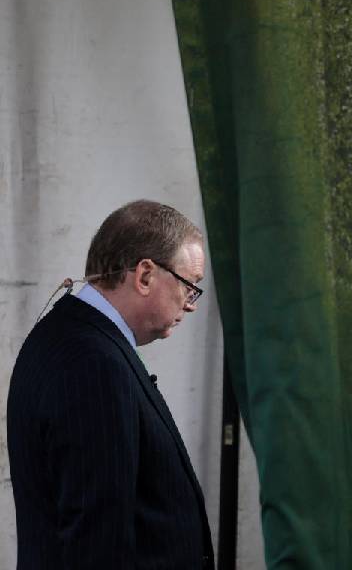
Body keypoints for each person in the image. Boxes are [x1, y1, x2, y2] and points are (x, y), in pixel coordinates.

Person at [7, 200, 214, 569]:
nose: (191, 304)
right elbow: (95, 541)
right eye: (189, 285)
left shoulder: (72, 337)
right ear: (145, 275)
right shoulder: (92, 363)